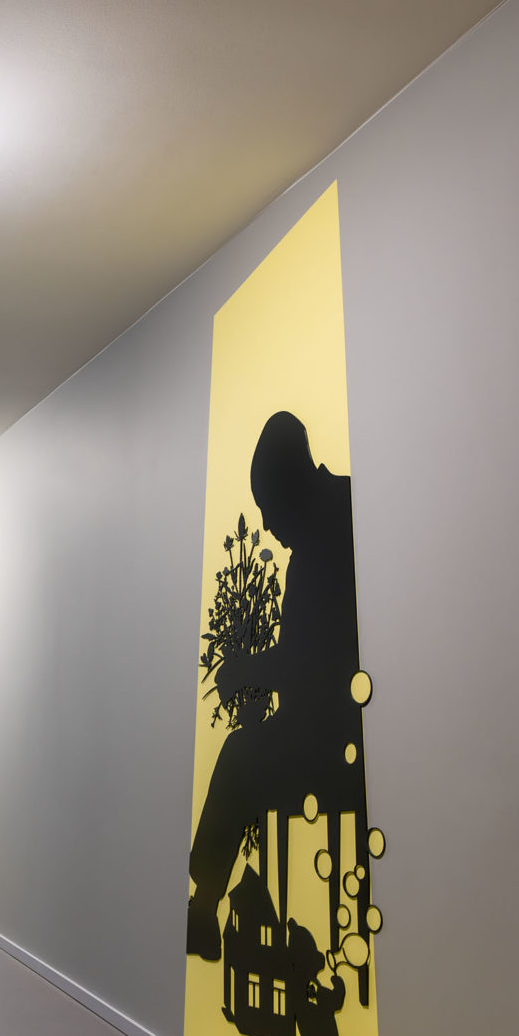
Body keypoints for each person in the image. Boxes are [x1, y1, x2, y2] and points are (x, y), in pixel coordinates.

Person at [187, 411, 363, 962]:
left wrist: (246, 672)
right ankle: (204, 906)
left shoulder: (322, 546)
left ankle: (204, 906)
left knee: (240, 756)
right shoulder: (344, 515)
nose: (265, 526)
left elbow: (309, 662)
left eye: (267, 508)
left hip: (335, 738)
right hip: (341, 728)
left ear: (290, 487)